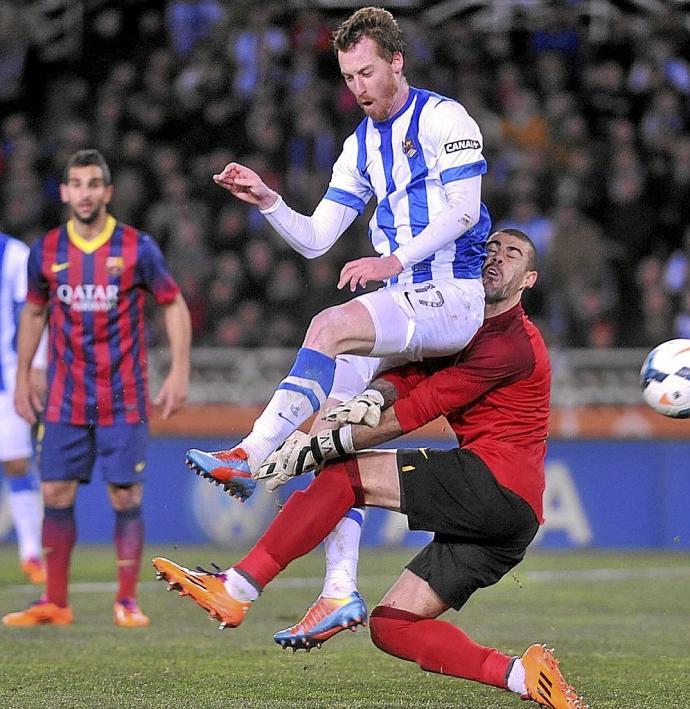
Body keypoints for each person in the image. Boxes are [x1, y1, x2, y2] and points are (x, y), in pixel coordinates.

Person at [154, 230, 587, 708]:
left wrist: (318, 447)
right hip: (510, 520)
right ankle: (523, 678)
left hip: (494, 485)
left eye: (512, 255)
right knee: (393, 625)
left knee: (344, 475)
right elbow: (411, 374)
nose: (496, 258)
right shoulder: (463, 323)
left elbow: (422, 405)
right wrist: (373, 395)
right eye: (492, 248)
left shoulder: (511, 345)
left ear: (529, 279)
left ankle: (238, 588)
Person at [186, 6, 491, 499]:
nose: (359, 88)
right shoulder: (360, 146)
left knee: (327, 326)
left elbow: (465, 211)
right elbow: (315, 239)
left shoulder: (443, 118)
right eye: (349, 78)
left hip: (451, 294)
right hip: (404, 303)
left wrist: (394, 260)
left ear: (397, 61)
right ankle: (340, 579)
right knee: (327, 435)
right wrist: (270, 201)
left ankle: (250, 454)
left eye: (367, 73)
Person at [2, 149, 191, 627]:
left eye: (93, 185)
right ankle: (55, 602)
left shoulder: (136, 248)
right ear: (64, 192)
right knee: (56, 493)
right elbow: (33, 313)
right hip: (65, 398)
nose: (84, 193)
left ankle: (127, 600)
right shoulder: (47, 251)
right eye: (76, 185)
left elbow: (172, 304)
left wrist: (179, 370)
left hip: (123, 396)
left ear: (107, 192)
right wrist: (23, 377)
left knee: (124, 497)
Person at [0, 230, 46, 585]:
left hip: (7, 374)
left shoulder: (13, 254)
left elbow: (33, 310)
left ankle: (31, 551)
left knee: (15, 461)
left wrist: (35, 367)